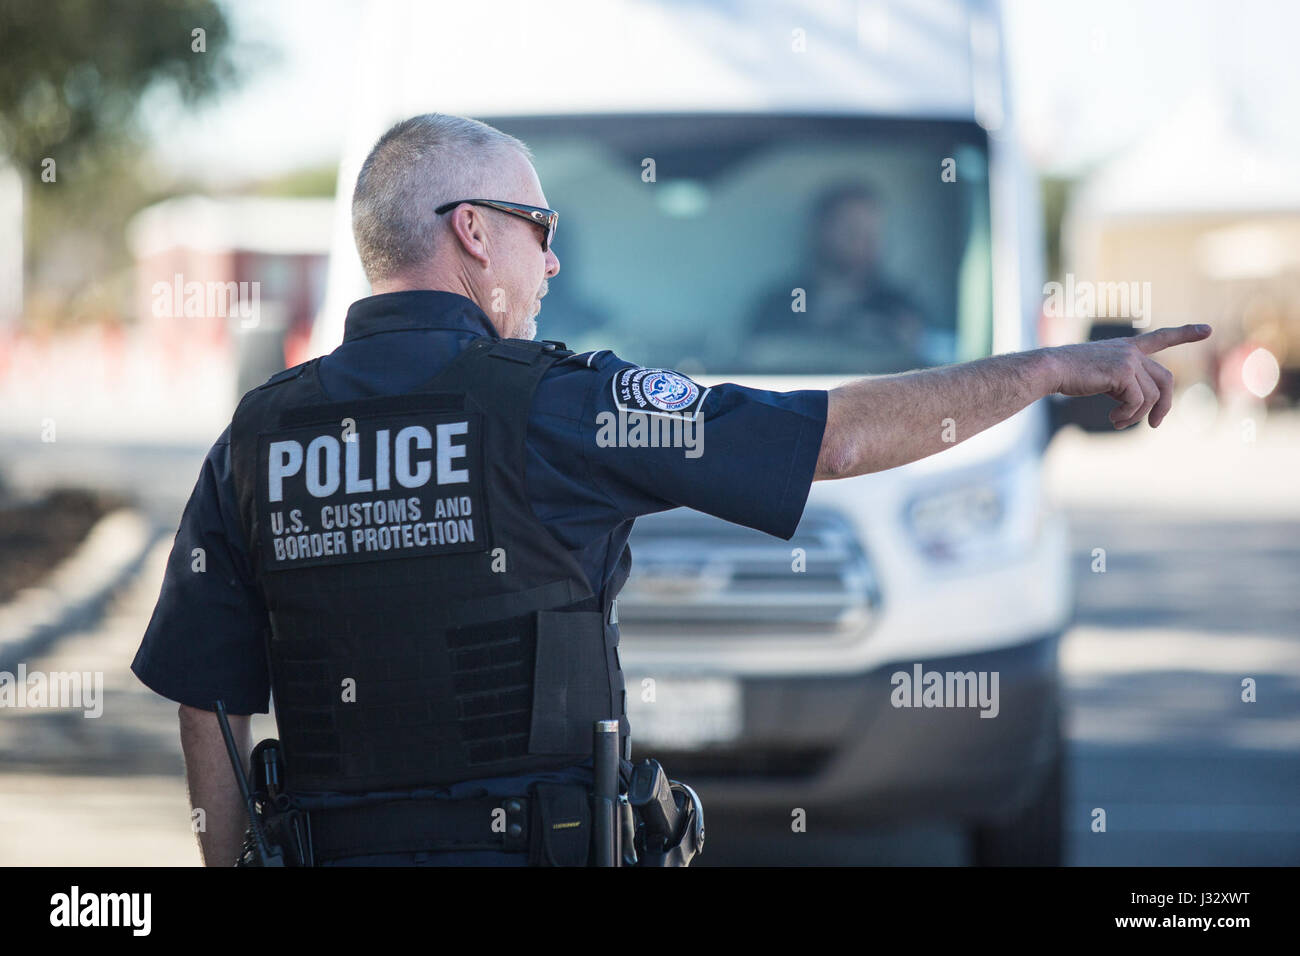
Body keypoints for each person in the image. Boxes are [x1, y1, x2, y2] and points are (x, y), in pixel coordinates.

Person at [131, 113, 1211, 867]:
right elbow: (827, 439)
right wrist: (1043, 370)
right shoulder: (560, 404)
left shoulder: (256, 436)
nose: (549, 263)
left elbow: (209, 703)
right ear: (472, 230)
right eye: (538, 230)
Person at [747, 182, 927, 370]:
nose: (864, 241)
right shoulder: (778, 304)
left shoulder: (900, 307)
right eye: (852, 230)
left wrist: (910, 344)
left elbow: (925, 365)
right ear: (820, 231)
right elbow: (757, 360)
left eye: (872, 232)